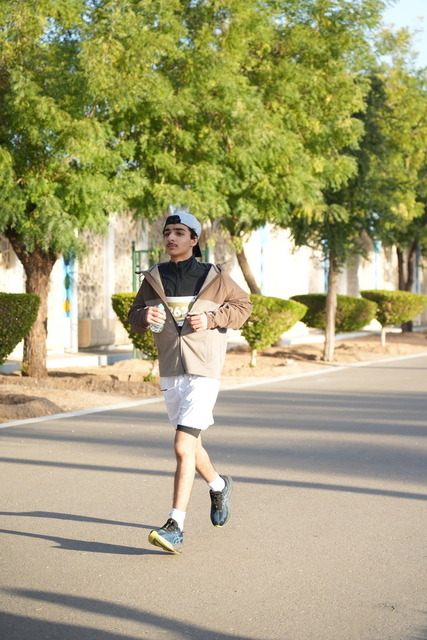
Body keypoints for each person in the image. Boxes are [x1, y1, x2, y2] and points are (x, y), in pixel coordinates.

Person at [128, 210, 252, 554]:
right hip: (171, 369)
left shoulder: (214, 276)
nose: (171, 237)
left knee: (182, 446)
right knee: (192, 446)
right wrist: (144, 315)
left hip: (204, 370)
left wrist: (212, 318)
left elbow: (243, 307)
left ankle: (175, 526)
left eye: (179, 232)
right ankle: (219, 485)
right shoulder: (154, 277)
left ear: (194, 240)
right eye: (168, 232)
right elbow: (133, 316)